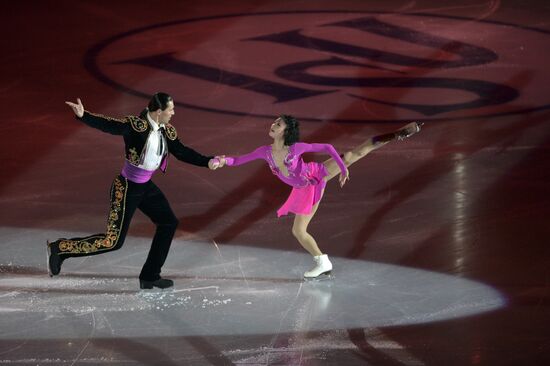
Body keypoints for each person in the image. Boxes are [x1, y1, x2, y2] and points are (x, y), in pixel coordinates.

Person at [47, 92, 222, 289]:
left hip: (146, 187)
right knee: (112, 242)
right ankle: (61, 248)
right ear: (158, 112)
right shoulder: (135, 126)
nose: (173, 113)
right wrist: (83, 115)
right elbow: (110, 125)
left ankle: (150, 275)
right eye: (170, 109)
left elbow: (182, 151)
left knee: (168, 223)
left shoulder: (167, 130)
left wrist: (207, 161)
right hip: (127, 187)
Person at [216, 115, 421, 278]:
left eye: (278, 124)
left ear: (286, 131)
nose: (273, 125)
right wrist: (224, 160)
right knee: (299, 231)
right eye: (275, 122)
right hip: (300, 187)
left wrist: (342, 169)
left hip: (313, 179)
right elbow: (238, 160)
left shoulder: (296, 148)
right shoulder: (265, 151)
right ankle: (322, 262)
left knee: (352, 155)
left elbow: (328, 148)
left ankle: (396, 135)